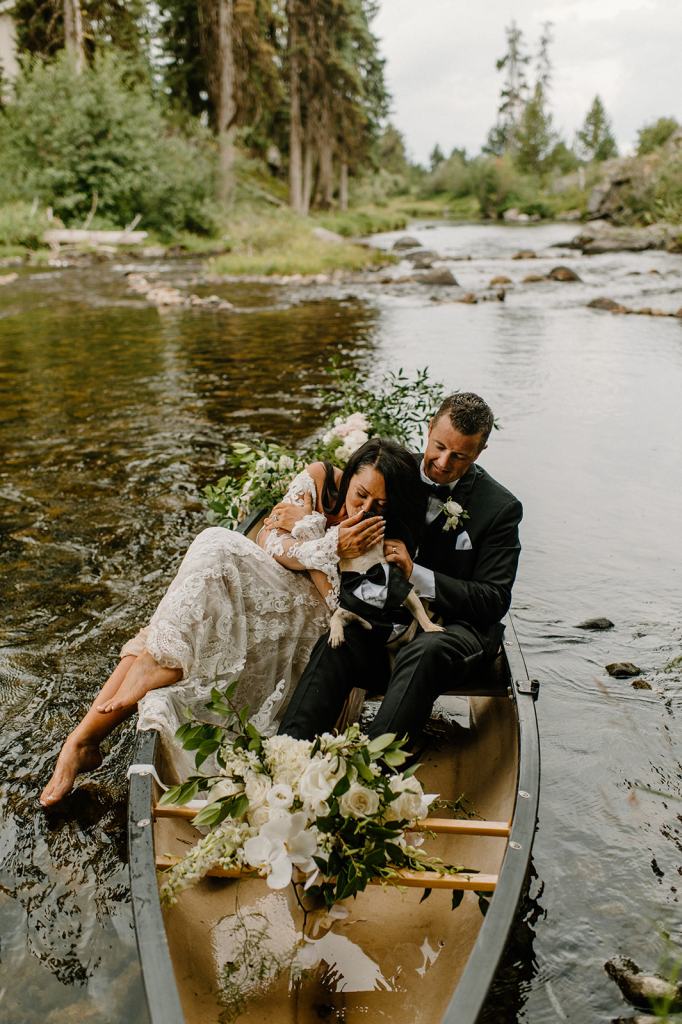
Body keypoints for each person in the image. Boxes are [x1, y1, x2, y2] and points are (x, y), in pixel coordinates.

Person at [40, 438, 425, 807]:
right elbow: (268, 543)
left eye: (380, 505)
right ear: (350, 472)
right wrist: (325, 549)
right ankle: (87, 736)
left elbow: (339, 604)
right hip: (274, 589)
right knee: (211, 551)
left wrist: (314, 535)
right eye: (360, 495)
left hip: (321, 633)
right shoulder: (321, 477)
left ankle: (92, 732)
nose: (364, 511)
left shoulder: (389, 536)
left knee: (194, 586)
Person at [278, 392, 523, 744]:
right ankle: (288, 752)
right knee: (338, 642)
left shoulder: (500, 508)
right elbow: (348, 514)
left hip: (456, 631)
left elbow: (494, 600)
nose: (441, 462)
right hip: (385, 620)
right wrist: (306, 520)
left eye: (459, 456)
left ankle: (377, 771)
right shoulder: (395, 473)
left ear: (480, 452)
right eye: (438, 446)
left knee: (425, 652)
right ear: (428, 429)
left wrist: (416, 574)